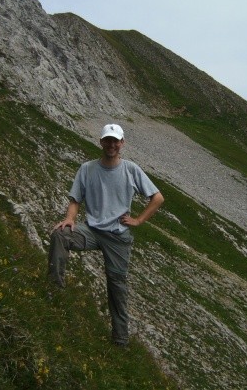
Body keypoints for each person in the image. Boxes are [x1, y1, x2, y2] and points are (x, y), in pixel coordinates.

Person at [48, 123, 164, 346]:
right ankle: (54, 291)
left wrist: (138, 220)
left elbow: (157, 198)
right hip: (91, 230)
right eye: (107, 140)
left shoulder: (131, 169)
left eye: (115, 141)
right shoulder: (87, 169)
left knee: (117, 285)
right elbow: (75, 200)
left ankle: (120, 339)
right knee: (60, 235)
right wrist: (70, 219)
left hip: (118, 237)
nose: (111, 144)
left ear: (122, 143)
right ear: (101, 142)